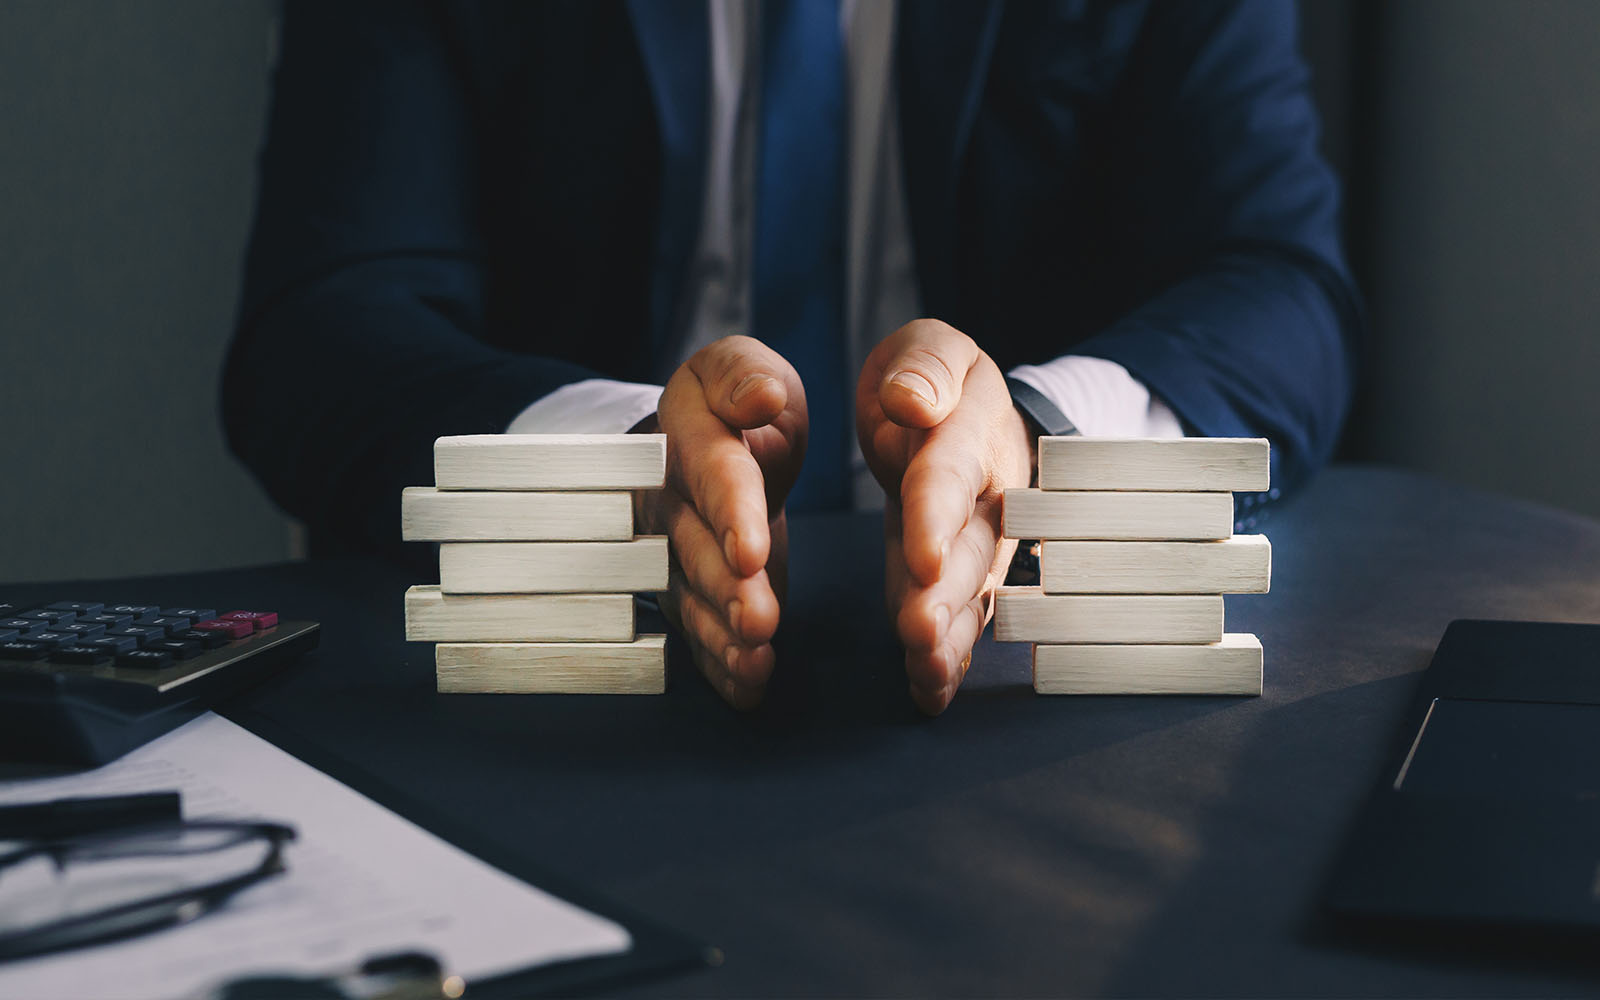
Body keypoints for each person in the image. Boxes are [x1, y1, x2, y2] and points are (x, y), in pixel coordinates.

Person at [222, 0, 1360, 715]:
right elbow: (320, 326)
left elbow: (1281, 289)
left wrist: (1030, 434)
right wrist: (617, 464)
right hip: (565, 693)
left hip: (1003, 694)